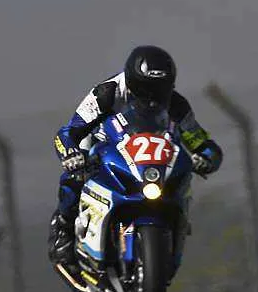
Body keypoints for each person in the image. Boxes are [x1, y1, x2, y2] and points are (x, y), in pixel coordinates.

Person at [48, 45, 223, 269]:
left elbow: (201, 142)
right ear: (131, 81)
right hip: (105, 145)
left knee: (179, 186)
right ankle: (63, 229)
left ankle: (171, 238)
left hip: (150, 160)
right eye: (145, 89)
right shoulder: (107, 93)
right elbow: (70, 131)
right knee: (75, 175)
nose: (151, 98)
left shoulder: (177, 105)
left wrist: (206, 158)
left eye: (159, 90)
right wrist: (71, 153)